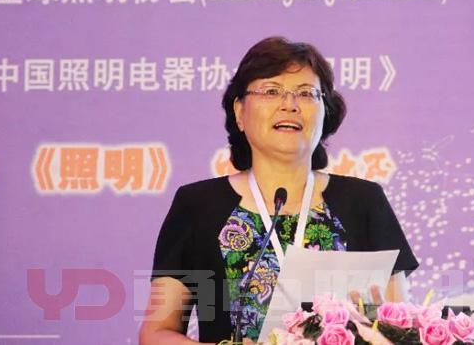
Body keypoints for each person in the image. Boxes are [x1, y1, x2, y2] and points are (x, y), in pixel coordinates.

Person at [139, 37, 418, 344]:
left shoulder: (364, 202)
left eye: (306, 93)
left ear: (325, 112)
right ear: (239, 112)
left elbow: (403, 331)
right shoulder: (198, 206)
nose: (290, 104)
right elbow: (156, 334)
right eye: (271, 91)